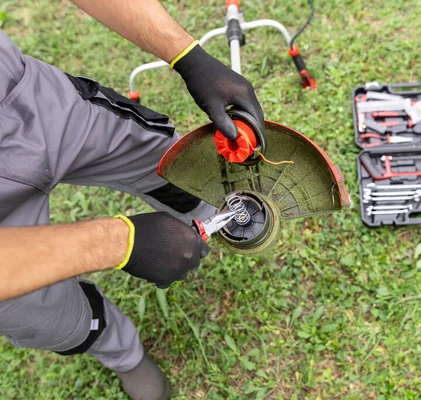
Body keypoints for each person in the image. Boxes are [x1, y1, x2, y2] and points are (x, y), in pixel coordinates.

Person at [0, 1, 264, 399]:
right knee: (41, 311)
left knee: (157, 158)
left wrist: (188, 56)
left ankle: (214, 214)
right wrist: (121, 242)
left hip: (22, 98)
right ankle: (125, 355)